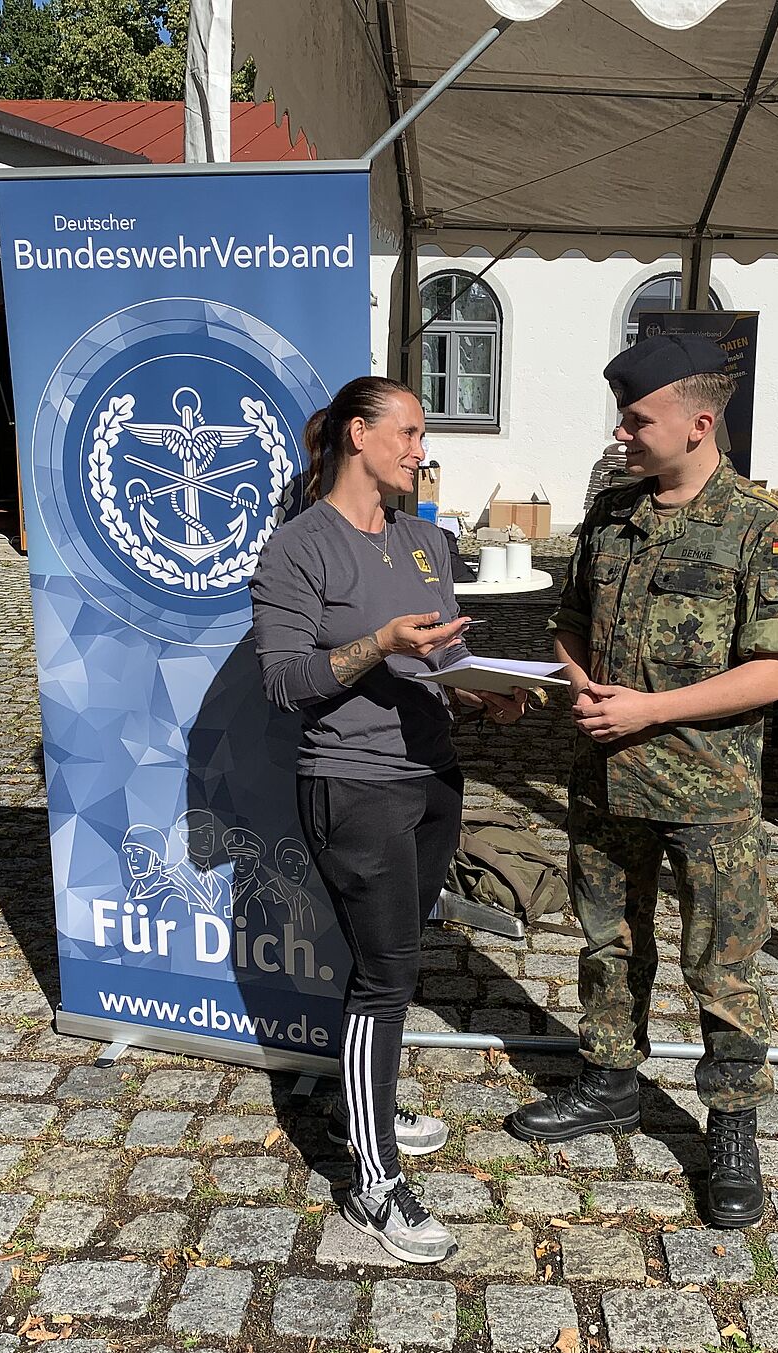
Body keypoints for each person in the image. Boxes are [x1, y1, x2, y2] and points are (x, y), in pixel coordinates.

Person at [503, 334, 778, 1229]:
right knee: (606, 937)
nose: (623, 432)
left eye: (638, 418)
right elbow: (565, 621)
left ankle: (734, 1124)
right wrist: (581, 677)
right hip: (604, 776)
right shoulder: (610, 514)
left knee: (722, 960)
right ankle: (609, 1080)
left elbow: (776, 671)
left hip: (708, 788)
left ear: (699, 423)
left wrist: (651, 709)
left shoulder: (761, 524)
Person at [251, 375, 527, 1264]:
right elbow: (287, 682)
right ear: (357, 437)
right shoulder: (298, 549)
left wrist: (487, 696)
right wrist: (378, 644)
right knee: (388, 977)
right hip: (352, 783)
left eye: (422, 435)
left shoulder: (424, 541)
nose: (420, 448)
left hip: (431, 776)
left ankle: (363, 1092)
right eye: (407, 432)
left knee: (391, 964)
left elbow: (445, 654)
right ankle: (374, 1184)